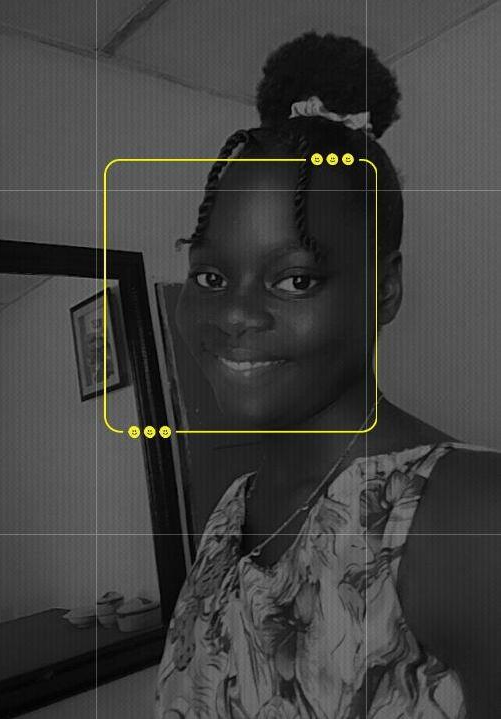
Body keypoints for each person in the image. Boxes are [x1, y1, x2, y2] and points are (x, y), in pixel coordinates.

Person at [154, 32, 501, 718]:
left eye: (295, 278)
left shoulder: (466, 521)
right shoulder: (231, 512)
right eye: (211, 275)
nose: (235, 315)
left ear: (384, 290)